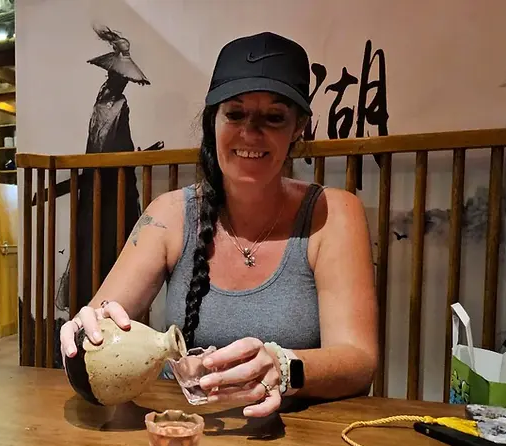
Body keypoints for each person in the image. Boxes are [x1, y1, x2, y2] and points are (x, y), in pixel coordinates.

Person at [58, 32, 378, 418]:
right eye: (235, 113)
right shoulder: (170, 215)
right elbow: (100, 321)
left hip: (296, 440)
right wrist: (83, 332)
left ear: (298, 127)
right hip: (181, 435)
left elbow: (358, 361)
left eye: (274, 117)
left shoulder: (333, 213)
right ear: (213, 121)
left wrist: (281, 366)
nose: (249, 133)